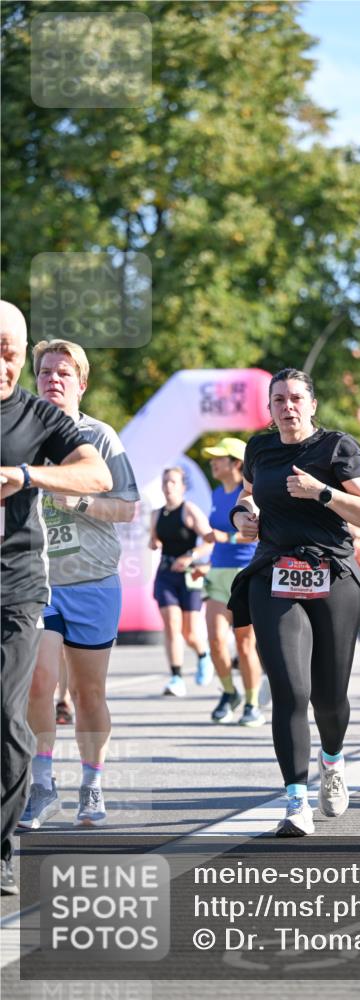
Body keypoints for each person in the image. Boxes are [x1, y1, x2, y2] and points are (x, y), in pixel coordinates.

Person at [227, 368, 360, 836]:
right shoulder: (259, 448)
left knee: (329, 697)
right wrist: (243, 515)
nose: (288, 407)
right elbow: (248, 495)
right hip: (275, 571)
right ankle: (295, 801)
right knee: (291, 690)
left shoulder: (338, 448)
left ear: (312, 405)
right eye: (279, 400)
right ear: (270, 407)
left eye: (296, 398)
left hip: (332, 573)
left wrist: (324, 493)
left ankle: (332, 761)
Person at [0, 300, 112, 894]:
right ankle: (30, 794)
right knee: (27, 698)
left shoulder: (45, 420)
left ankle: (6, 842)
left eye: (10, 352)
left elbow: (102, 481)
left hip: (31, 584)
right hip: (36, 587)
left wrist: (26, 475)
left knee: (22, 707)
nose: (3, 363)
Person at [18, 339, 139, 831]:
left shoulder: (101, 437)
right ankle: (43, 785)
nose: (53, 379)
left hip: (93, 580)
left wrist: (77, 502)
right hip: (36, 580)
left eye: (64, 373)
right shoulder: (19, 433)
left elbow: (128, 507)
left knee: (89, 694)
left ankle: (92, 782)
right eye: (46, 371)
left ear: (81, 383)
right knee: (39, 683)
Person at [197, 436, 265, 726]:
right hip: (217, 572)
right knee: (213, 640)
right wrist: (199, 560)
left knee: (245, 642)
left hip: (245, 572)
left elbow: (260, 531)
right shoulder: (215, 493)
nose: (213, 462)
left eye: (219, 458)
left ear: (237, 464)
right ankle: (229, 692)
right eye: (212, 458)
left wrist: (228, 537)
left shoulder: (250, 493)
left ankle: (252, 704)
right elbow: (214, 538)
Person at [150, 468, 213, 696]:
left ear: (183, 487)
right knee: (171, 626)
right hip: (166, 574)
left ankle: (203, 655)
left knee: (191, 634)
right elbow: (153, 540)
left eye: (173, 482)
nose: (169, 486)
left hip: (189, 576)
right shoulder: (156, 514)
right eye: (166, 481)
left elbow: (210, 540)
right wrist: (153, 544)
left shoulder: (189, 511)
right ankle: (176, 678)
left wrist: (191, 556)